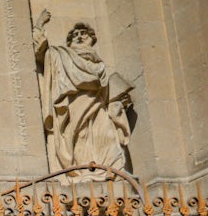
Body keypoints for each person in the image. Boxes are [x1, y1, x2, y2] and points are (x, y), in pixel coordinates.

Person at [32, 11, 134, 173]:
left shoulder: (98, 64)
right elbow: (42, 53)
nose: (79, 36)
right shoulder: (61, 55)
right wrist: (39, 25)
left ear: (92, 38)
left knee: (107, 135)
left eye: (84, 34)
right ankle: (83, 174)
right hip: (74, 107)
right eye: (76, 34)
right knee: (80, 138)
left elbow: (104, 90)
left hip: (97, 106)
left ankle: (111, 172)